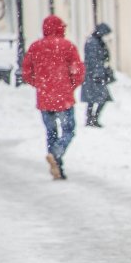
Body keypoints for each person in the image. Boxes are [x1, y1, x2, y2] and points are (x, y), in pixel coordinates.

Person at [22, 15, 85, 180]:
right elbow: (77, 72)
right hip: (64, 98)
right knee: (69, 131)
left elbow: (27, 72)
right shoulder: (67, 47)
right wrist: (69, 87)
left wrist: (41, 85)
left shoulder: (35, 47)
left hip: (44, 99)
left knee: (51, 132)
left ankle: (56, 164)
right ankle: (56, 154)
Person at [81, 23, 115, 127]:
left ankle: (92, 118)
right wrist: (98, 73)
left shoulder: (97, 41)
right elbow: (93, 60)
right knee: (99, 97)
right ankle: (92, 119)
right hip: (94, 76)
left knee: (95, 98)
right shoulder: (93, 42)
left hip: (96, 74)